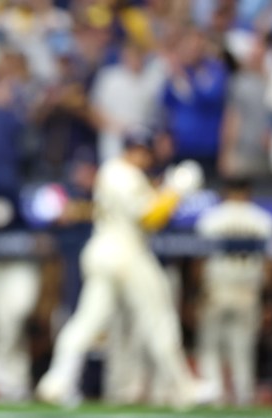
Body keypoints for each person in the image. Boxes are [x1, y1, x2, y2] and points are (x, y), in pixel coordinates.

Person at [35, 126, 214, 408]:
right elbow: (149, 216)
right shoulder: (122, 172)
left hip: (105, 250)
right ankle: (182, 388)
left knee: (87, 321)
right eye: (143, 151)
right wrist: (176, 189)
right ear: (134, 150)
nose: (146, 157)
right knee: (159, 320)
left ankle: (57, 382)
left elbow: (146, 205)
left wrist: (166, 188)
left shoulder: (116, 172)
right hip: (125, 252)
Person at [193, 177, 272, 405]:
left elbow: (199, 260)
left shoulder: (212, 217)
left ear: (226, 192)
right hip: (248, 290)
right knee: (243, 346)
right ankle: (243, 395)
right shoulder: (262, 219)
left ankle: (213, 394)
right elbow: (271, 265)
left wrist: (195, 294)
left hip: (217, 288)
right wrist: (270, 299)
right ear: (248, 192)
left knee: (211, 346)